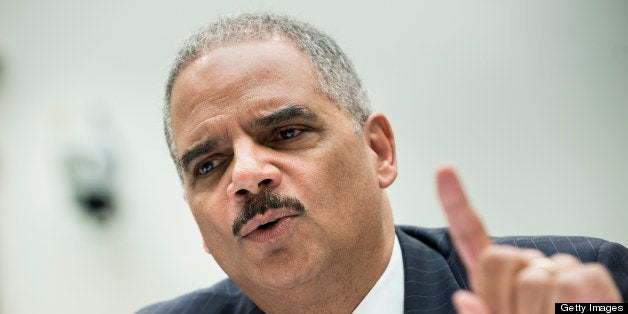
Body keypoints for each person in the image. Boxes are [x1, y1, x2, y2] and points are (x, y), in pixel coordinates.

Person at [139, 13, 626, 313]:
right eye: (208, 165)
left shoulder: (575, 288)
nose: (245, 175)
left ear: (378, 151)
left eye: (286, 134)